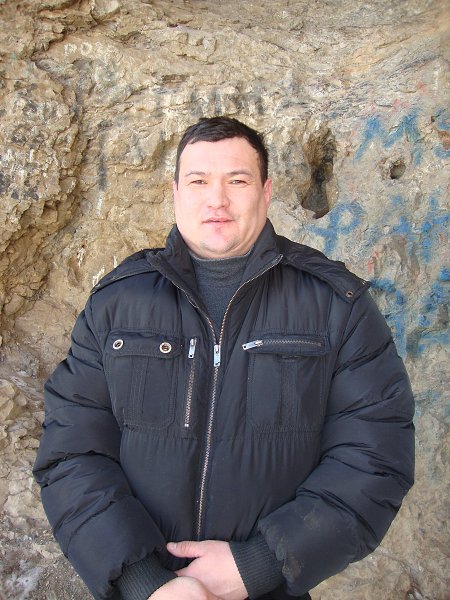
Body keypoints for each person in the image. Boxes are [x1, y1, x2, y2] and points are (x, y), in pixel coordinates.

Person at [33, 116, 415, 600]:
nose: (217, 200)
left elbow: (375, 458)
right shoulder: (115, 304)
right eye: (198, 181)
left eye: (237, 181)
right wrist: (144, 582)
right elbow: (72, 454)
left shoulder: (338, 306)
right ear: (176, 193)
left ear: (266, 191)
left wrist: (258, 565)